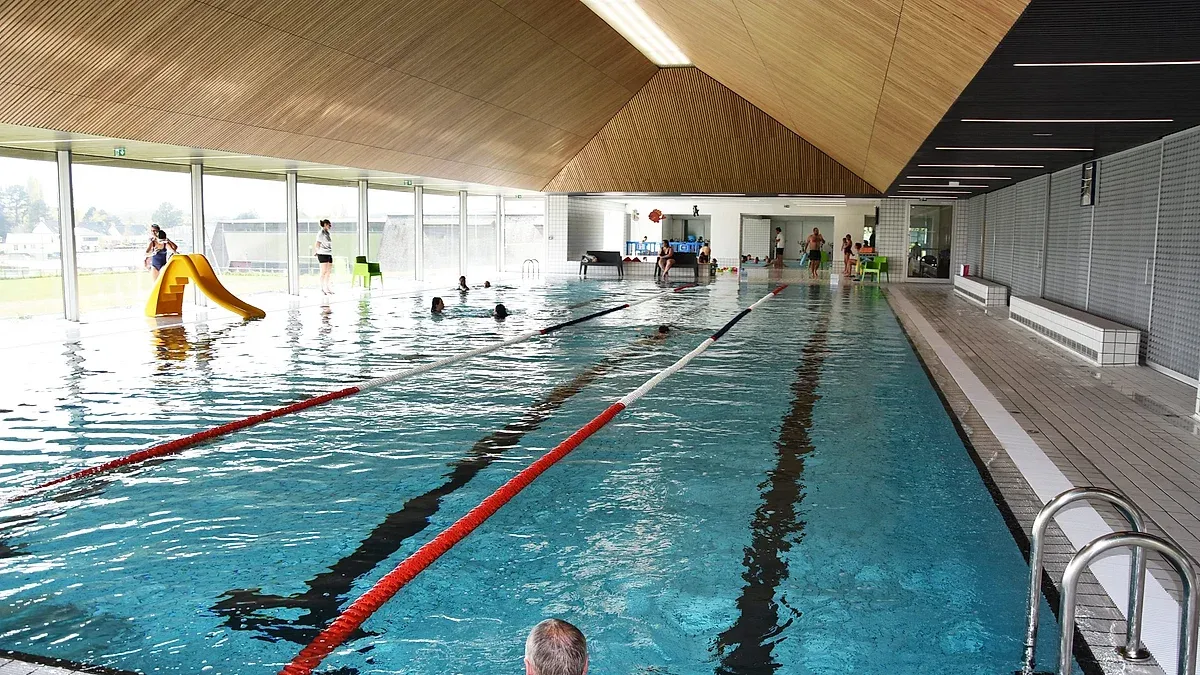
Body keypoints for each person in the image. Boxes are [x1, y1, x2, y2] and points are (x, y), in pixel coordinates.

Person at [313, 219, 334, 295]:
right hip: (322, 254)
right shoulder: (321, 233)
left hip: (328, 253)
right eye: (329, 224)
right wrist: (317, 251)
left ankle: (327, 288)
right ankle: (321, 288)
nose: (330, 226)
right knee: (323, 272)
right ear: (325, 224)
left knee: (328, 272)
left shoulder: (327, 233)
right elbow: (317, 243)